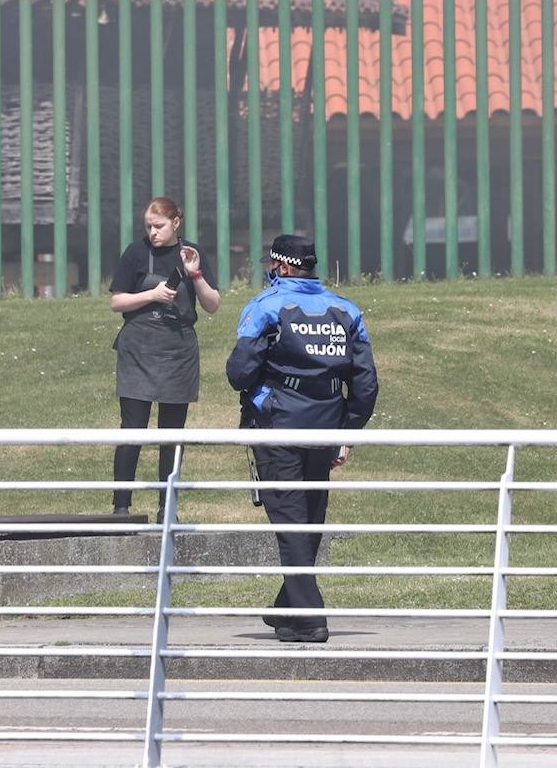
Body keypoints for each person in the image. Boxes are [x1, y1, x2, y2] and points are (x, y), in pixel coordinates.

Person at [225, 234, 379, 644]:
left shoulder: (266, 307)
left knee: (293, 526)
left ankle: (310, 619)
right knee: (309, 523)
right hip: (326, 430)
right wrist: (347, 432)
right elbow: (365, 383)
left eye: (272, 267)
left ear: (284, 267)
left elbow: (238, 374)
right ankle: (286, 608)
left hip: (277, 430)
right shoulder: (347, 310)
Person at [109, 197, 220, 520]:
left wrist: (196, 274)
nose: (153, 232)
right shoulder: (135, 252)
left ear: (176, 222)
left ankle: (166, 508)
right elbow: (117, 301)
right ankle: (121, 507)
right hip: (138, 348)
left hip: (178, 351)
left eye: (158, 226)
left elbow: (213, 305)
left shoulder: (191, 253)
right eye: (148, 226)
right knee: (133, 430)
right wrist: (152, 295)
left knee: (172, 434)